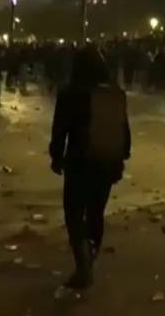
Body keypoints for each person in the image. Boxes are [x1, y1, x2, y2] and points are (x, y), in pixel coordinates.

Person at [49, 46, 131, 290]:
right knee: (96, 212)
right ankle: (91, 256)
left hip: (79, 160)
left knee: (74, 213)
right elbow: (124, 129)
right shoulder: (116, 93)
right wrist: (122, 156)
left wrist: (56, 156)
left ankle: (83, 261)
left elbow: (60, 129)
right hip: (107, 161)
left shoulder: (70, 93)